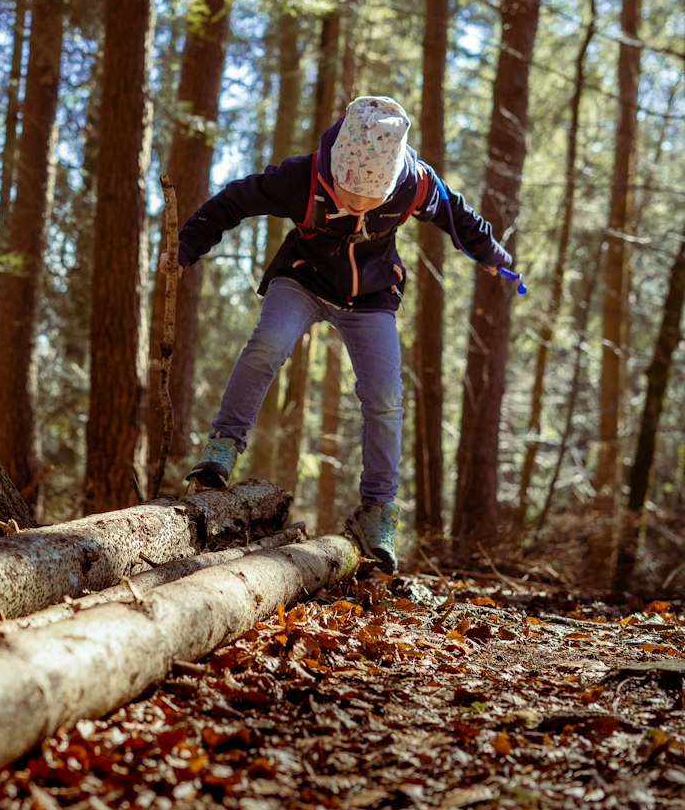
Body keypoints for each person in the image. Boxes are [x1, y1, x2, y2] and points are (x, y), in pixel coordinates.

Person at [159, 95, 513, 572]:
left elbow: (458, 215)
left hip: (370, 297)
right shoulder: (299, 178)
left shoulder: (415, 184)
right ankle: (223, 445)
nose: (360, 208)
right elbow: (233, 201)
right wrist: (185, 248)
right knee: (268, 344)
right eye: (350, 198)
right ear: (334, 173)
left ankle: (378, 511)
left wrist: (491, 255)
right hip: (302, 280)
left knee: (385, 394)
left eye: (373, 202)